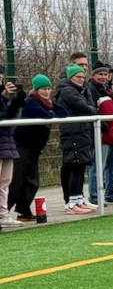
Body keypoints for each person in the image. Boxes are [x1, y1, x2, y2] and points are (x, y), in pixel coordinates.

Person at [9, 74, 55, 222]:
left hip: (34, 148)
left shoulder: (48, 103)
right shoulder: (31, 102)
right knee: (15, 180)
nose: (47, 92)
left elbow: (58, 112)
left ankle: (24, 210)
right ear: (36, 90)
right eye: (43, 89)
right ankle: (4, 210)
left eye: (48, 88)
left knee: (32, 180)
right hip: (21, 146)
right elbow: (46, 115)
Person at [54, 64, 97, 213]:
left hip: (82, 132)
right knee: (75, 166)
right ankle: (72, 202)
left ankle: (78, 199)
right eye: (78, 77)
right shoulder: (67, 91)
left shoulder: (82, 90)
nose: (81, 80)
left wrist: (89, 109)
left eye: (83, 77)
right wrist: (90, 110)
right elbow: (85, 108)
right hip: (73, 133)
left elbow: (90, 106)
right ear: (71, 77)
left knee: (80, 166)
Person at [84, 62, 113, 205]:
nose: (103, 77)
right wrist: (103, 127)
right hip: (102, 135)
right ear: (93, 75)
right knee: (97, 167)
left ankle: (112, 193)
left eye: (105, 74)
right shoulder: (90, 90)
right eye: (100, 74)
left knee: (112, 167)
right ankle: (95, 197)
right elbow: (91, 110)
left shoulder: (109, 89)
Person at [0, 72, 21, 226]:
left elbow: (9, 116)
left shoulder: (3, 98)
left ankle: (3, 214)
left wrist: (16, 100)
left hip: (6, 142)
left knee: (5, 181)